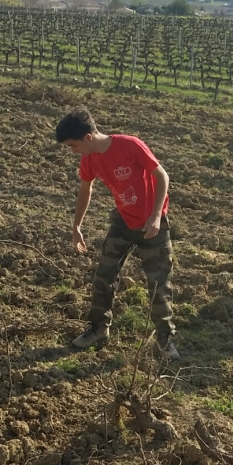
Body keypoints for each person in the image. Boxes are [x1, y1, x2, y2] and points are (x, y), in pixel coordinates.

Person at [55, 108, 179, 360]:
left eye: (74, 145)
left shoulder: (130, 146)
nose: (73, 151)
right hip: (122, 221)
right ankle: (99, 329)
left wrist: (156, 216)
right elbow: (85, 191)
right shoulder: (89, 159)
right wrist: (76, 226)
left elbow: (162, 175)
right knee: (103, 275)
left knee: (158, 284)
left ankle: (165, 340)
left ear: (88, 138)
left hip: (151, 223)